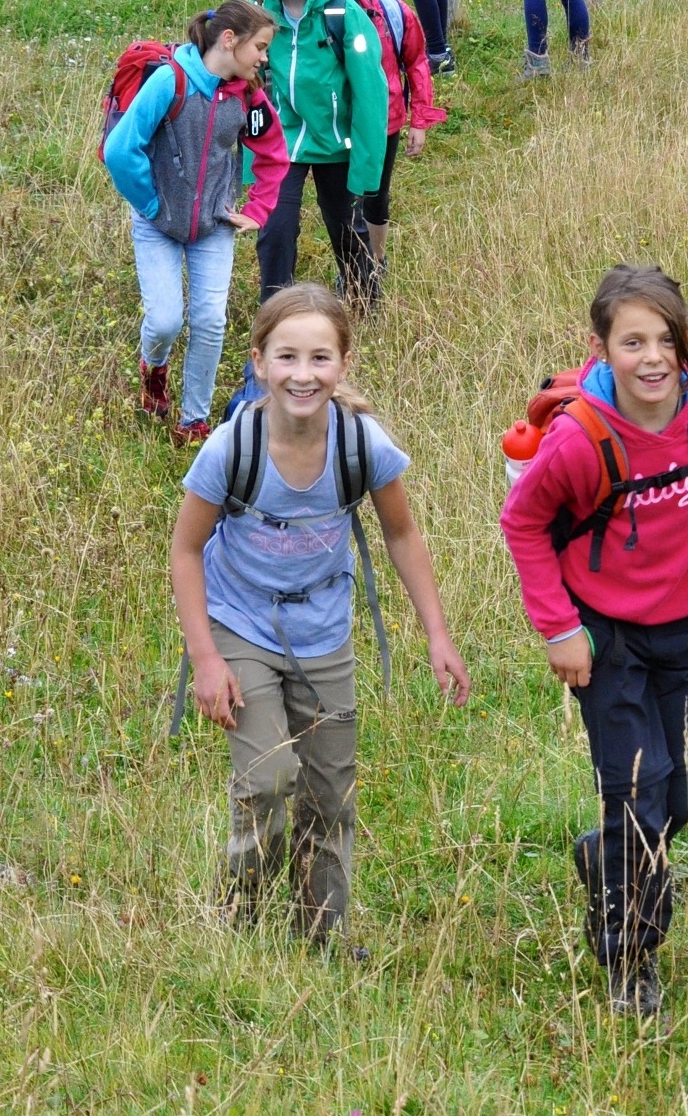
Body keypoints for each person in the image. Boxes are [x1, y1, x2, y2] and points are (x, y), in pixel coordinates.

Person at [500, 265, 688, 1016]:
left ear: (686, 344)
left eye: (666, 339)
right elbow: (522, 523)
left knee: (683, 792)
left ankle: (604, 855)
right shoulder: (582, 440)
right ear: (601, 347)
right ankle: (630, 959)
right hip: (606, 640)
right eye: (632, 341)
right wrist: (561, 630)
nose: (652, 358)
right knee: (637, 795)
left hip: (685, 634)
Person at [171, 281, 470, 942]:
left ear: (343, 363)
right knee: (270, 778)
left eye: (318, 359)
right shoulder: (231, 448)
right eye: (286, 358)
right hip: (242, 626)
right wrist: (206, 659)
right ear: (258, 362)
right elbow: (187, 550)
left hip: (324, 634)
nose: (302, 375)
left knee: (330, 797)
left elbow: (402, 534)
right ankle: (238, 925)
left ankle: (320, 936)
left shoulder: (362, 444)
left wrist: (437, 634)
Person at [103, 1, 288, 445]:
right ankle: (154, 369)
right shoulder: (171, 80)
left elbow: (274, 155)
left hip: (214, 225)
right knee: (165, 320)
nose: (264, 58)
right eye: (260, 47)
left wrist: (256, 211)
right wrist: (152, 204)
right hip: (157, 224)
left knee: (209, 321)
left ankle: (194, 422)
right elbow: (119, 150)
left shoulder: (247, 93)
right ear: (230, 40)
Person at [255, 0, 389, 309]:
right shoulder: (260, 17)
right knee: (275, 231)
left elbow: (371, 95)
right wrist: (251, 159)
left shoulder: (344, 14)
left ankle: (364, 301)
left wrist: (367, 168)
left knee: (346, 231)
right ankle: (275, 313)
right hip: (285, 144)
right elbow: (247, 86)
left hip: (337, 144)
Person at [347, 0, 446, 277]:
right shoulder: (326, 18)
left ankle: (376, 262)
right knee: (347, 200)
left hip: (384, 120)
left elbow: (416, 61)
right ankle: (351, 269)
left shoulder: (393, 13)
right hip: (342, 123)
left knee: (376, 194)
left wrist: (420, 120)